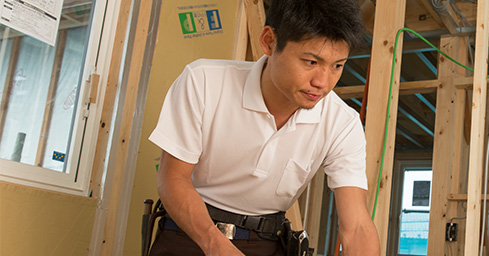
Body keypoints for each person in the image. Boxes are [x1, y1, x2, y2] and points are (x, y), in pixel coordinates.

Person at [147, 0, 379, 255]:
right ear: (269, 41)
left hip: (268, 242)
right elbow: (173, 179)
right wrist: (215, 244)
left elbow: (356, 226)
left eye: (337, 66)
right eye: (311, 62)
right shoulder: (203, 81)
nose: (322, 82)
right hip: (188, 231)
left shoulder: (342, 122)